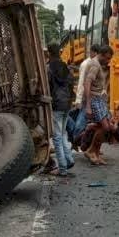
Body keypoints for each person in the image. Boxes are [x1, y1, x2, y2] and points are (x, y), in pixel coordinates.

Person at [83, 45, 116, 165]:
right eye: (107, 58)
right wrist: (88, 105)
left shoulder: (98, 64)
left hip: (99, 99)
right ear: (102, 54)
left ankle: (95, 153)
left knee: (107, 126)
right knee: (105, 127)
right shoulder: (95, 65)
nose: (108, 61)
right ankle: (91, 151)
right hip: (94, 99)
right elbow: (87, 83)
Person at [47, 43, 75, 177]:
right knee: (63, 133)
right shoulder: (66, 68)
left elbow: (47, 86)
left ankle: (62, 168)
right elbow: (71, 84)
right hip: (67, 104)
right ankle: (68, 159)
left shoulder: (48, 68)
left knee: (57, 137)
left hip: (57, 105)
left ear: (49, 53)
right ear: (60, 52)